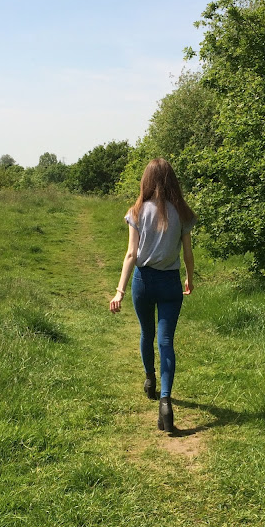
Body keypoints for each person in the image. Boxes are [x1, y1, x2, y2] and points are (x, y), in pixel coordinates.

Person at [109, 158, 196, 433]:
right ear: (172, 180)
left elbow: (131, 254)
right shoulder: (182, 213)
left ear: (146, 180)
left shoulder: (136, 212)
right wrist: (189, 279)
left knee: (147, 333)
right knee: (166, 340)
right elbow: (188, 254)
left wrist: (119, 291)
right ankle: (166, 400)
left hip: (143, 282)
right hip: (171, 283)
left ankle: (149, 379)